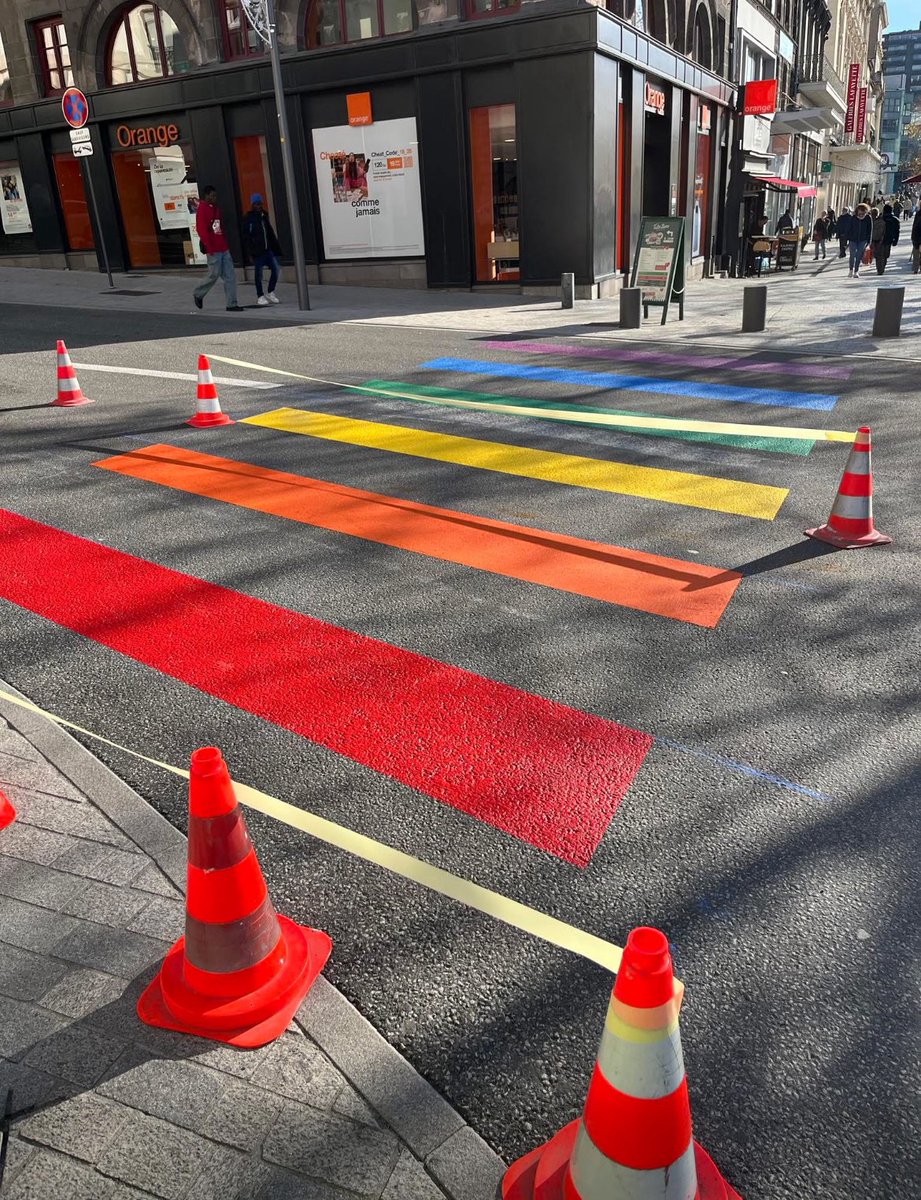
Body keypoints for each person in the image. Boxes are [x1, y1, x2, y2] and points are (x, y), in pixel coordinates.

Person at [193, 186, 243, 312]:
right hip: (213, 249)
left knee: (230, 276)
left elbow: (218, 227)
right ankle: (198, 293)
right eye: (212, 196)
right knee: (213, 275)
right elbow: (202, 230)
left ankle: (232, 303)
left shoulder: (216, 209)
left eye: (215, 196)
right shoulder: (202, 209)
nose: (215, 198)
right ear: (207, 195)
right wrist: (209, 247)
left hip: (223, 246)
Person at [242, 194, 282, 306]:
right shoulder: (248, 218)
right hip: (257, 251)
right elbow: (246, 237)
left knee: (276, 269)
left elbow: (269, 232)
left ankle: (270, 291)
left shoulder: (264, 216)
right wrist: (249, 252)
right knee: (258, 274)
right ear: (252, 205)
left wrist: (275, 247)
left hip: (267, 249)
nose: (259, 206)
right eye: (256, 204)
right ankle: (260, 295)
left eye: (260, 204)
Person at [874, 203, 900, 275]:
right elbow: (897, 231)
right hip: (889, 239)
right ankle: (883, 267)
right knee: (885, 255)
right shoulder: (895, 220)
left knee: (879, 255)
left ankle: (879, 269)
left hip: (878, 239)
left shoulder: (880, 218)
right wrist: (895, 240)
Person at [848, 203, 872, 277]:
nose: (861, 214)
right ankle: (851, 270)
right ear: (857, 211)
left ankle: (856, 271)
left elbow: (870, 230)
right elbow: (849, 228)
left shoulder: (868, 218)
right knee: (852, 255)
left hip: (863, 240)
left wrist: (869, 241)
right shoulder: (853, 218)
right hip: (853, 239)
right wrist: (847, 239)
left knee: (858, 255)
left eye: (863, 212)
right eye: (860, 212)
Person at [911, 207, 921, 274]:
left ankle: (915, 268)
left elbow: (914, 226)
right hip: (917, 236)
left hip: (917, 237)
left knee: (916, 254)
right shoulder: (918, 214)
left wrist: (913, 236)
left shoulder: (918, 214)